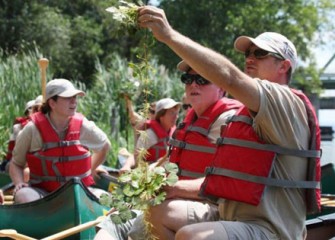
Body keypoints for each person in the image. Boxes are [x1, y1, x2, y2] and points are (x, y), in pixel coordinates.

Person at [138, 6, 321, 240]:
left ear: (284, 66)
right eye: (248, 53)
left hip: (269, 230)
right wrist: (170, 187)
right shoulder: (251, 109)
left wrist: (169, 36)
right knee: (157, 212)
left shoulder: (284, 101)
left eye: (260, 53)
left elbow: (230, 77)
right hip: (231, 217)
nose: (250, 58)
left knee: (191, 236)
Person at [94, 61, 242, 240]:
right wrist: (133, 191)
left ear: (221, 87)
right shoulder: (189, 123)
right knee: (113, 221)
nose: (194, 84)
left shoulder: (229, 120)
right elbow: (166, 162)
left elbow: (229, 181)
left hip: (212, 208)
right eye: (188, 79)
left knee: (146, 222)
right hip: (180, 200)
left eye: (202, 79)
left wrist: (174, 188)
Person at [9, 79, 111, 204]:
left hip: (78, 191)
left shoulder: (84, 126)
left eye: (75, 97)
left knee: (107, 198)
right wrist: (19, 183)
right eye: (68, 97)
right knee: (23, 195)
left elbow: (105, 146)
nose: (74, 101)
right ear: (52, 103)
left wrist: (91, 168)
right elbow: (16, 164)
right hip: (43, 194)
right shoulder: (32, 129)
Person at [119, 97, 180, 173]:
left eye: (176, 113)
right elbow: (135, 157)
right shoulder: (150, 135)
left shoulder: (174, 135)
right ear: (161, 115)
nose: (176, 117)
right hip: (145, 174)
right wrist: (126, 166)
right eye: (172, 113)